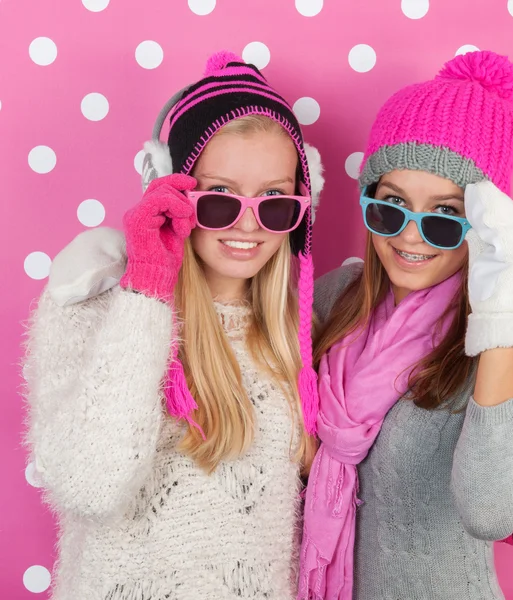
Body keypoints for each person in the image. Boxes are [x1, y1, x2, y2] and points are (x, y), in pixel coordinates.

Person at [23, 51, 324, 600]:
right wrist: (146, 290)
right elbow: (91, 487)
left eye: (275, 201)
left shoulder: (299, 337)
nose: (249, 224)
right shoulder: (91, 302)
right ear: (170, 187)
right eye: (219, 198)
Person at [299, 50, 513, 600]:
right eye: (391, 205)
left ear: (486, 221)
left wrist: (499, 312)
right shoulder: (333, 299)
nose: (410, 237)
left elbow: (493, 508)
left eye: (445, 216)